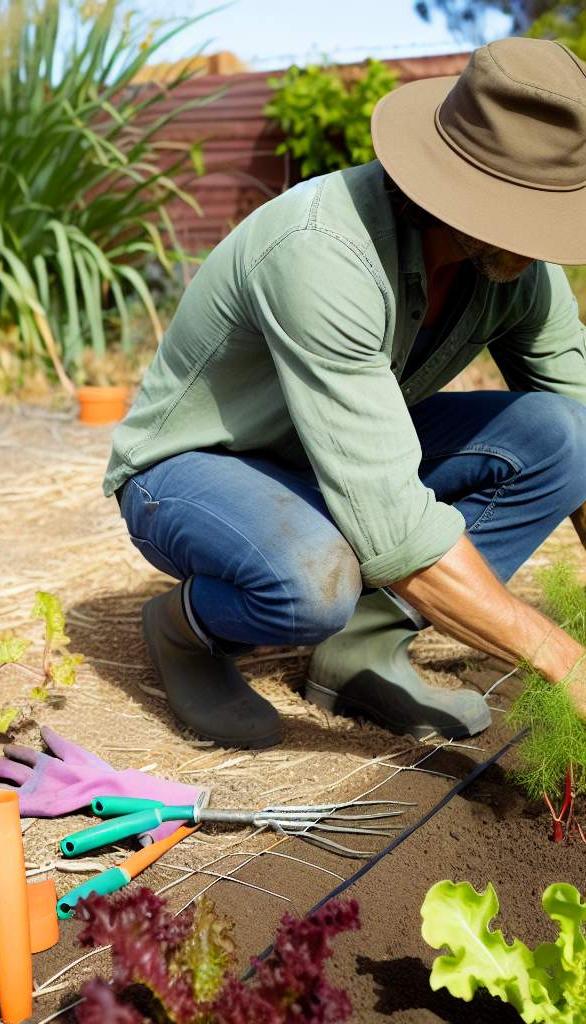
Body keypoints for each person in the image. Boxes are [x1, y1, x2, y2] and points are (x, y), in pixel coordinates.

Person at [104, 36, 586, 749]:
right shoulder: (324, 250)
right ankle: (185, 630)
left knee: (565, 435)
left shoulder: (517, 274)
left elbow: (576, 409)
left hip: (337, 460)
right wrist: (566, 664)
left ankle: (362, 647)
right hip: (196, 470)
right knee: (312, 580)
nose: (537, 239)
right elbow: (390, 526)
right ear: (455, 183)